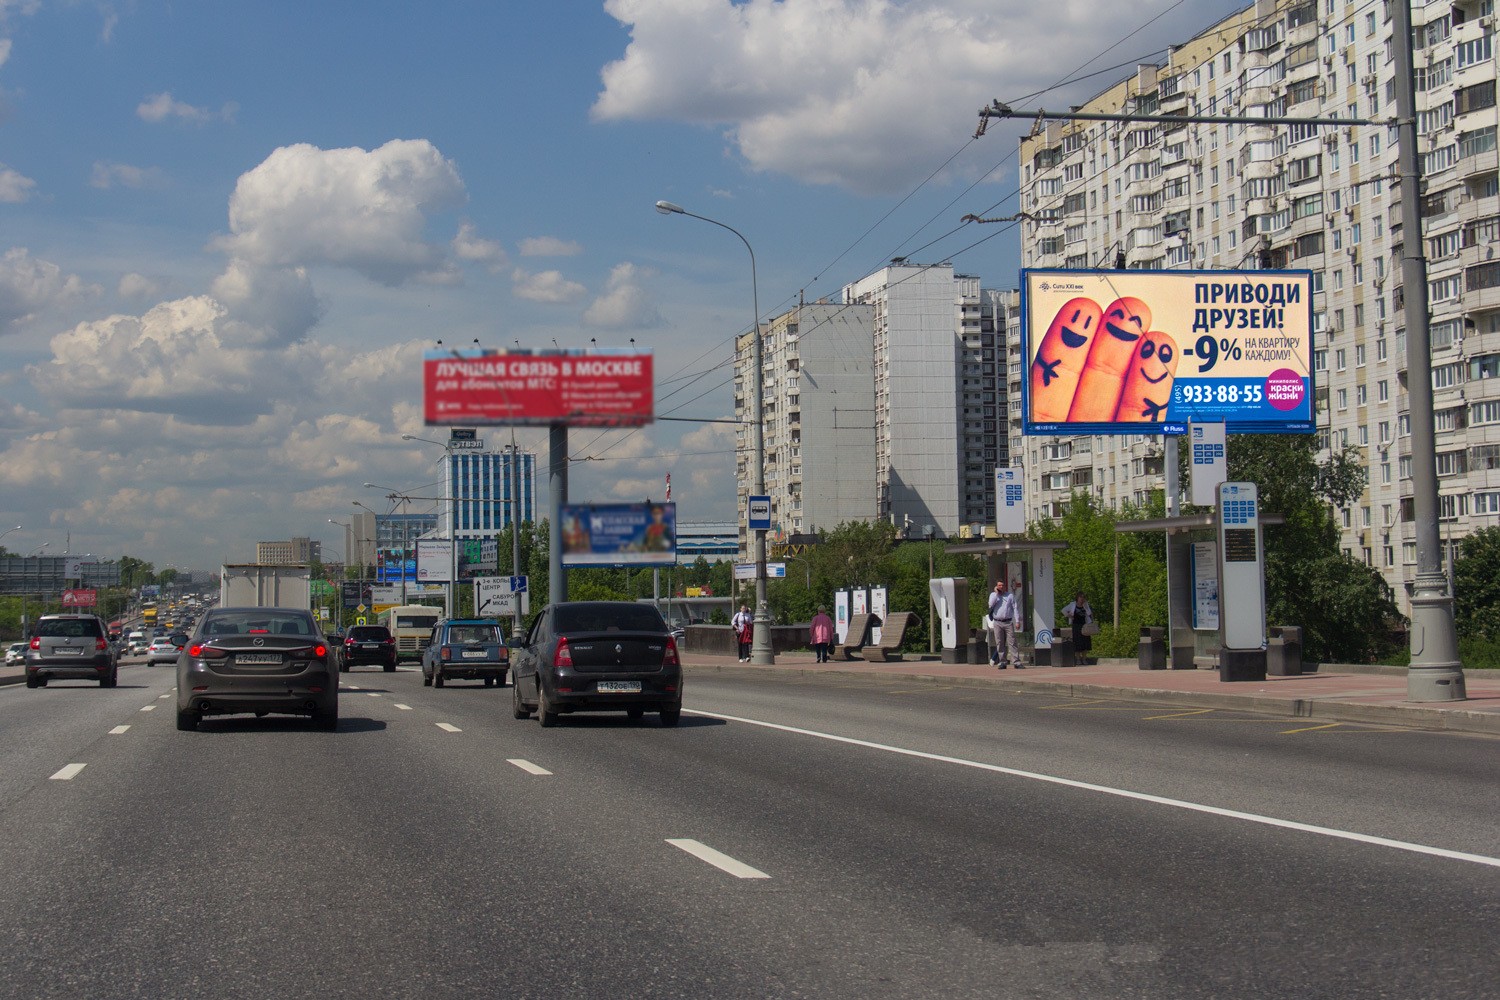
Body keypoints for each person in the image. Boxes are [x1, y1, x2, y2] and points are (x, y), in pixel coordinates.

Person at [988, 579, 1020, 669]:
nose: (1001, 587)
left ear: (1005, 587)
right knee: (1000, 642)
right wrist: (996, 594)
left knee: (1012, 642)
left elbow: (1015, 608)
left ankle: (1016, 662)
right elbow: (990, 604)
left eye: (1002, 585)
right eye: (999, 585)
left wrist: (1017, 621)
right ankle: (1002, 661)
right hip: (997, 622)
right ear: (996, 586)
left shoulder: (1009, 596)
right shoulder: (993, 595)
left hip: (1008, 622)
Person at [1062, 591, 1094, 663]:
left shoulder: (1086, 605)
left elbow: (1089, 613)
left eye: (1083, 597)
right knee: (1077, 643)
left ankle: (1084, 659)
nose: (1082, 599)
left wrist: (1086, 606)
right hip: (1076, 625)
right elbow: (1063, 610)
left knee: (1085, 643)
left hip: (1085, 625)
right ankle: (1078, 659)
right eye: (1080, 597)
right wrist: (1069, 616)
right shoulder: (1072, 604)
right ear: (1077, 598)